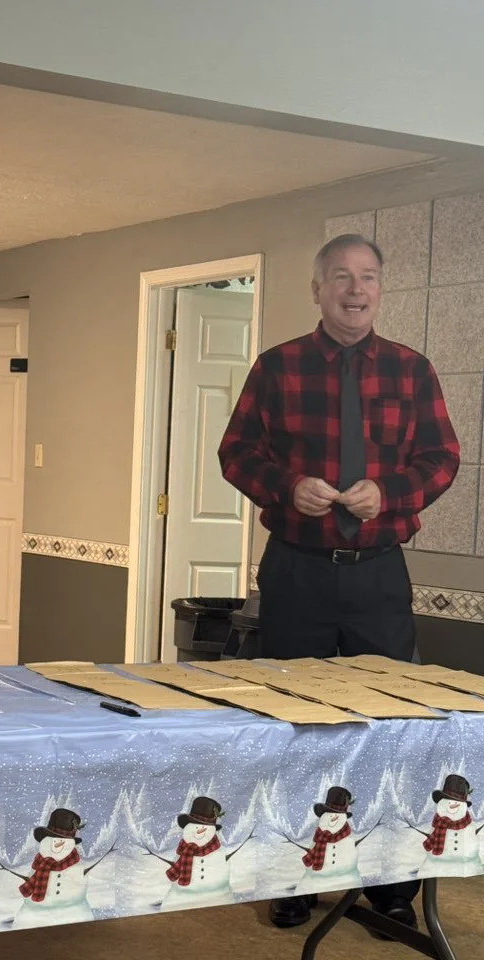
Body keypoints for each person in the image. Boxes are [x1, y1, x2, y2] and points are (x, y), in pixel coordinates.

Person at [218, 234, 460, 931]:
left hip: (380, 576)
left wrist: (393, 493)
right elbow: (236, 451)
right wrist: (286, 486)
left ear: (380, 290)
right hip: (296, 572)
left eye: (370, 278)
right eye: (343, 278)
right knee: (298, 727)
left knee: (391, 727)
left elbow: (442, 458)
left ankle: (391, 880)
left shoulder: (413, 372)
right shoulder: (278, 367)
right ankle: (292, 874)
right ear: (318, 289)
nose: (358, 290)